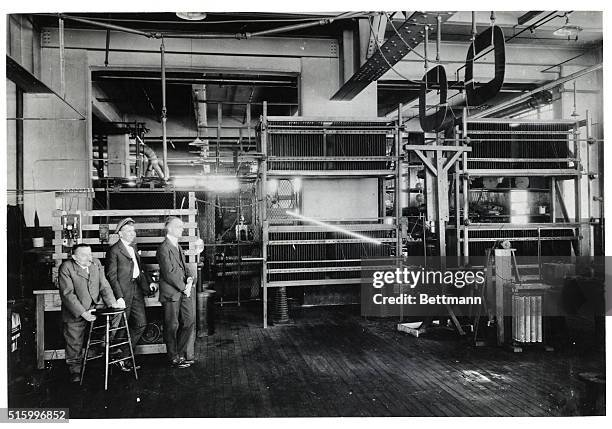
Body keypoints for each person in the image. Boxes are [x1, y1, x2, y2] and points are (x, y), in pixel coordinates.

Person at [58, 243, 125, 383]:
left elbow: (104, 285)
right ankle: (75, 370)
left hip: (96, 305)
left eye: (90, 253)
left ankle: (102, 346)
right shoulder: (67, 267)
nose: (89, 257)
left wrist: (113, 303)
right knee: (74, 341)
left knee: (117, 314)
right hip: (76, 310)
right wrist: (83, 313)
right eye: (84, 254)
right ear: (74, 257)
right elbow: (68, 294)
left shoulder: (96, 263)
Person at [106, 217, 156, 372]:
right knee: (121, 326)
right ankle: (116, 357)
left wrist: (149, 284)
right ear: (120, 233)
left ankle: (123, 357)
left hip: (136, 290)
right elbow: (111, 276)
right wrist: (119, 296)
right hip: (123, 293)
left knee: (141, 324)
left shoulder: (132, 248)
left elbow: (139, 270)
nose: (132, 233)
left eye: (133, 230)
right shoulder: (114, 250)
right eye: (128, 230)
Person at [157, 216, 195, 368]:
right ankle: (173, 358)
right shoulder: (163, 248)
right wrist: (184, 287)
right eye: (179, 226)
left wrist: (190, 277)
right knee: (172, 326)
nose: (182, 229)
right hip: (172, 293)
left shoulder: (177, 246)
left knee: (189, 320)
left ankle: (179, 353)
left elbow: (182, 267)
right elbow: (169, 273)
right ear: (170, 228)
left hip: (182, 291)